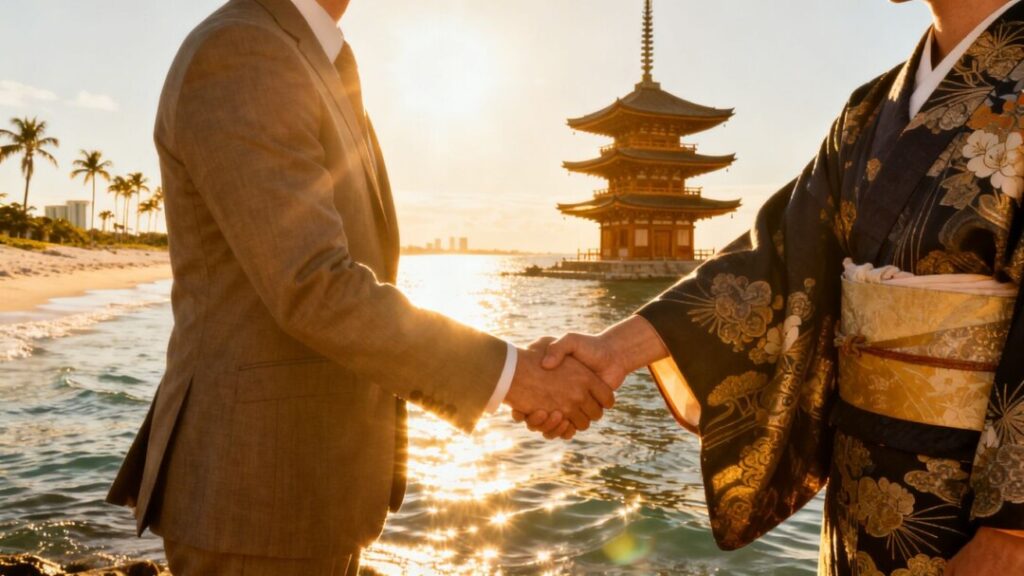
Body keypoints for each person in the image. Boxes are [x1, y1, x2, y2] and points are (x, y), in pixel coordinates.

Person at [104, 0, 614, 573]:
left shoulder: (319, 56)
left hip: (313, 489)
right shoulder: (243, 49)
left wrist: (517, 369)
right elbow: (313, 284)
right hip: (256, 497)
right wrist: (513, 375)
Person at [527, 0, 1024, 574]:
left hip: (979, 509)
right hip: (861, 483)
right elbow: (781, 254)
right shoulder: (870, 109)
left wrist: (1011, 531)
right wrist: (615, 350)